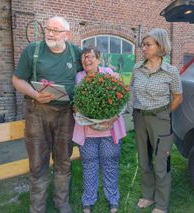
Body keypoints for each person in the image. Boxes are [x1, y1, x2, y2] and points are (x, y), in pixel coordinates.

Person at [12, 16, 82, 213]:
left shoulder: (76, 53)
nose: (50, 33)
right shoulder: (32, 50)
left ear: (67, 35)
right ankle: (37, 208)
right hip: (37, 113)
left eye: (56, 30)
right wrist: (35, 93)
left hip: (65, 115)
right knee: (37, 164)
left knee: (63, 161)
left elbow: (91, 71)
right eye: (48, 29)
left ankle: (62, 204)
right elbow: (17, 80)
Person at [129, 28, 183, 213]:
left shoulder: (171, 72)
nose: (144, 48)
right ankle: (147, 195)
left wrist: (164, 113)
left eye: (148, 45)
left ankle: (161, 204)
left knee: (161, 164)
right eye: (143, 45)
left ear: (160, 46)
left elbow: (178, 97)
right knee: (144, 161)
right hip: (140, 118)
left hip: (160, 119)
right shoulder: (137, 68)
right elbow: (132, 91)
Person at [72, 47, 127, 213]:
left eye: (90, 57)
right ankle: (88, 200)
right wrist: (81, 114)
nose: (86, 60)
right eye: (83, 57)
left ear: (98, 59)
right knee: (89, 165)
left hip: (108, 132)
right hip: (87, 133)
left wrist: (113, 117)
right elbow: (75, 104)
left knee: (110, 164)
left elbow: (121, 100)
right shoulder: (79, 77)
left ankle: (113, 199)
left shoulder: (109, 74)